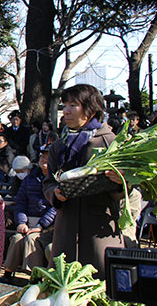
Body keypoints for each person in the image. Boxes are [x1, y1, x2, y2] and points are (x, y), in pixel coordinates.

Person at [43, 84, 125, 279]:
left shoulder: (110, 143)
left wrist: (120, 182)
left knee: (100, 288)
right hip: (66, 227)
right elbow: (48, 182)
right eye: (65, 105)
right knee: (63, 286)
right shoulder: (59, 145)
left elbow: (128, 189)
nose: (67, 111)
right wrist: (54, 193)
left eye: (74, 105)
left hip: (99, 227)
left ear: (91, 108)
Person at [1, 149, 56, 283]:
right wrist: (21, 222)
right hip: (29, 221)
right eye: (42, 157)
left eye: (48, 157)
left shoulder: (56, 179)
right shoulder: (30, 179)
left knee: (32, 239)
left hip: (48, 226)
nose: (44, 160)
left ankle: (34, 276)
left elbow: (56, 207)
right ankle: (7, 273)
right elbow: (21, 202)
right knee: (17, 238)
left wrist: (41, 225)